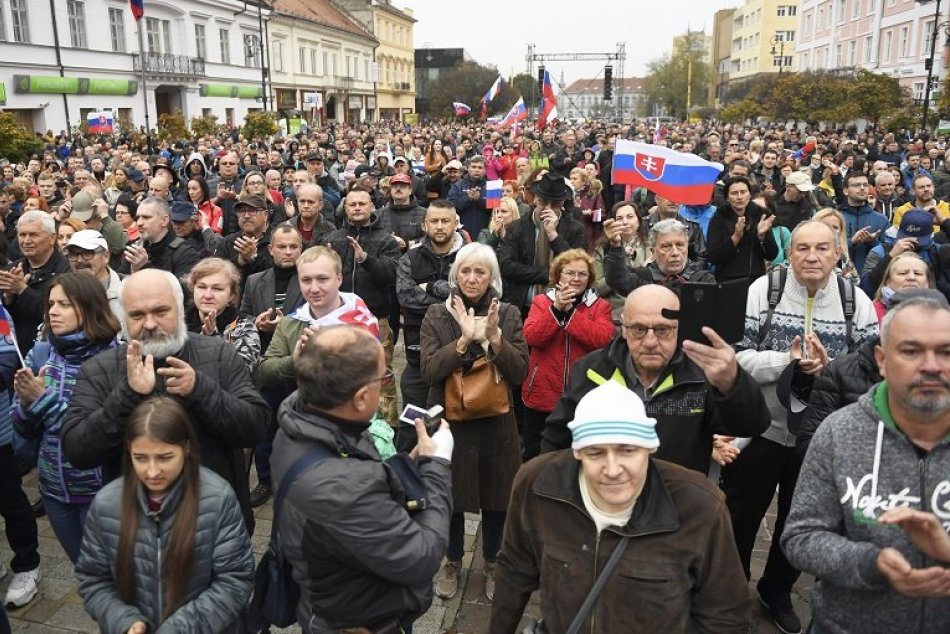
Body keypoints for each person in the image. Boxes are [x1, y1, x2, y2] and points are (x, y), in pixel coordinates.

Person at [490, 381, 753, 633]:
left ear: (650, 448)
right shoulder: (537, 485)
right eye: (595, 453)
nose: (613, 470)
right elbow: (514, 571)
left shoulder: (699, 507)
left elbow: (725, 616)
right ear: (577, 452)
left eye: (627, 450)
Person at [726, 220, 880, 634]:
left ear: (837, 254)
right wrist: (785, 364)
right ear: (789, 253)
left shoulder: (857, 301)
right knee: (739, 514)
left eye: (821, 249)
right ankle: (730, 590)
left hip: (821, 435)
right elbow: (735, 356)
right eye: (802, 248)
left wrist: (831, 371)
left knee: (800, 521)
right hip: (760, 427)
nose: (811, 257)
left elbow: (870, 371)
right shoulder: (764, 291)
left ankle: (776, 589)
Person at [782, 294, 950, 633]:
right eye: (911, 351)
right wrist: (872, 563)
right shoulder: (839, 432)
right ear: (882, 360)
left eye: (946, 351)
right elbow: (800, 537)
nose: (931, 365)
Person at [271, 325, 453, 631]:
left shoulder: (301, 420)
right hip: (359, 620)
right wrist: (437, 465)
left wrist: (409, 463)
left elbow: (356, 467)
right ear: (359, 398)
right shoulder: (343, 489)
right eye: (382, 378)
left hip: (328, 590)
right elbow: (421, 557)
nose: (385, 384)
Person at [60, 268, 269, 532]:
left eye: (161, 311)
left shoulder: (218, 353)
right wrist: (127, 395)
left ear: (180, 310)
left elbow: (255, 428)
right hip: (136, 527)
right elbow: (78, 450)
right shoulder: (99, 368)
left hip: (215, 523)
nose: (149, 324)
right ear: (123, 318)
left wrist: (200, 388)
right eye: (137, 315)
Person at [541, 284, 770, 474]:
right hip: (606, 502)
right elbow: (557, 438)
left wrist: (732, 383)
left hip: (676, 508)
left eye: (663, 330)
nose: (650, 341)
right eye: (639, 329)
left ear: (679, 328)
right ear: (623, 328)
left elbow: (751, 424)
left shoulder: (701, 375)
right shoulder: (592, 371)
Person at [75, 397, 254, 632]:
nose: (152, 472)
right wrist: (124, 621)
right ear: (128, 450)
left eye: (164, 457)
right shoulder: (106, 503)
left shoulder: (218, 498)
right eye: (140, 458)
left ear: (186, 448)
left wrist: (181, 628)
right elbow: (93, 578)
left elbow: (235, 580)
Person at [420, 243, 528, 601]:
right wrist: (464, 341)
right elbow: (430, 371)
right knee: (451, 497)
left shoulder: (509, 313)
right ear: (455, 274)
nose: (471, 278)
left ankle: (494, 562)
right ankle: (452, 560)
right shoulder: (438, 314)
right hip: (451, 423)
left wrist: (495, 336)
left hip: (497, 423)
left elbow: (520, 371)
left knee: (497, 497)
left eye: (480, 271)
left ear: (492, 277)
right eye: (465, 270)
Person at [12, 272, 120, 563]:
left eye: (64, 304)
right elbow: (20, 430)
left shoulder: (115, 360)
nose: (53, 312)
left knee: (109, 577)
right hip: (55, 491)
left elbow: (97, 435)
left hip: (101, 494)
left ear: (89, 308)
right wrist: (25, 404)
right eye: (51, 304)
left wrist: (42, 400)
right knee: (83, 571)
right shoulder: (42, 353)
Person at [521, 249, 614, 460]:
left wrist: (570, 313)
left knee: (578, 457)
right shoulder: (541, 302)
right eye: (570, 273)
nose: (576, 278)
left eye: (582, 274)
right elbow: (532, 337)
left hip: (584, 396)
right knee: (537, 457)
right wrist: (556, 310)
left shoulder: (601, 307)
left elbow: (601, 339)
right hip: (542, 395)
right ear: (558, 276)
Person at [258, 246, 379, 393]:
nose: (314, 289)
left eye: (322, 279)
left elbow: (372, 374)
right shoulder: (290, 322)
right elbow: (264, 371)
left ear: (339, 279)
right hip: (301, 410)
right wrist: (295, 361)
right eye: (306, 280)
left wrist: (329, 354)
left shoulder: (360, 320)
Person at [395, 201, 466, 437]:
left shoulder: (470, 256)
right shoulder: (410, 258)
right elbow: (406, 297)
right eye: (434, 221)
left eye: (445, 221)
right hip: (418, 359)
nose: (439, 226)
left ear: (456, 223)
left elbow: (471, 296)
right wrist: (449, 298)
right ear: (425, 225)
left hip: (461, 360)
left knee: (454, 431)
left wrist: (431, 286)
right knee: (412, 428)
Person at [498, 172, 585, 317]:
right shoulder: (517, 228)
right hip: (523, 305)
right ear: (536, 199)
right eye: (544, 202)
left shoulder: (575, 229)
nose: (548, 208)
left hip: (562, 305)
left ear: (562, 204)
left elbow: (577, 266)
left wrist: (554, 236)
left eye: (555, 204)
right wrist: (548, 273)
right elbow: (507, 266)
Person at [2, 210, 71, 355]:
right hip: (11, 354)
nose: (26, 241)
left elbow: (58, 316)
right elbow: (3, 321)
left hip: (50, 355)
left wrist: (22, 290)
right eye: (22, 235)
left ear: (52, 238)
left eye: (33, 235)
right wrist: (9, 297)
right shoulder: (10, 270)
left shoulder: (67, 272)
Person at [603, 217, 716, 299]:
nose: (675, 253)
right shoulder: (642, 277)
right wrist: (615, 245)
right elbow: (617, 279)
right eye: (666, 246)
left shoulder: (704, 280)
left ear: (687, 247)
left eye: (680, 245)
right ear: (653, 251)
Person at [184, 258, 260, 375]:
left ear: (231, 296)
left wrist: (212, 339)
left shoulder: (245, 328)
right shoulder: (179, 323)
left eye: (217, 289)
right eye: (202, 287)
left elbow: (239, 375)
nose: (208, 295)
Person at [706, 176, 779, 282]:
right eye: (734, 193)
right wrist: (735, 238)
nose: (739, 197)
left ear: (750, 194)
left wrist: (762, 237)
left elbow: (772, 254)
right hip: (727, 280)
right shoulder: (719, 217)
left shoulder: (761, 214)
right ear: (727, 197)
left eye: (743, 192)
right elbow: (713, 257)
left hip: (756, 279)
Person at [592, 201, 649, 324]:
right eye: (619, 218)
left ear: (639, 221)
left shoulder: (651, 246)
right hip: (615, 312)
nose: (625, 222)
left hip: (646, 307)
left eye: (630, 217)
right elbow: (596, 288)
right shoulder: (602, 249)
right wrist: (617, 271)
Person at [123, 197, 201, 278]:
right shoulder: (135, 247)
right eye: (137, 218)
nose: (139, 223)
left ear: (164, 220)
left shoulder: (186, 253)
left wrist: (145, 266)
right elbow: (120, 283)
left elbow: (182, 289)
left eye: (146, 217)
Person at [65, 230, 124, 322]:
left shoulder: (127, 289)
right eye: (73, 255)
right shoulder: (62, 291)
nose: (79, 260)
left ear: (106, 256)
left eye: (87, 254)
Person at [872, 252, 933, 321]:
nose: (911, 277)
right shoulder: (871, 313)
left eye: (918, 273)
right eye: (903, 273)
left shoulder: (941, 314)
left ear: (928, 282)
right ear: (887, 281)